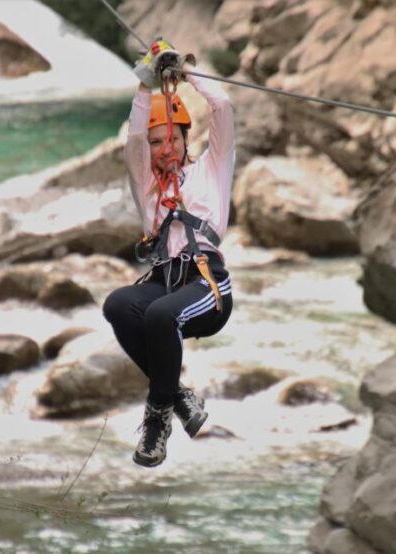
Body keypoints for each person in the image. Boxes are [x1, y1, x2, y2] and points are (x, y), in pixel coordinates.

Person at [103, 40, 235, 467]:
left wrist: (185, 71)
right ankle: (176, 395)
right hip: (163, 282)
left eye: (172, 139)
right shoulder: (148, 189)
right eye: (157, 141)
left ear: (184, 137)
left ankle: (157, 420)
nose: (164, 149)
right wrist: (145, 89)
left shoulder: (211, 171)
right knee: (119, 305)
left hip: (205, 283)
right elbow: (134, 142)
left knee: (161, 315)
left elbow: (224, 107)